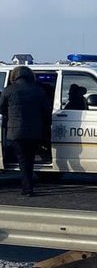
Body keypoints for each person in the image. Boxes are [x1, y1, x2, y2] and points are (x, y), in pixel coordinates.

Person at [0, 66, 51, 196]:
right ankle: (28, 187)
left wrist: (9, 116)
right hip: (34, 132)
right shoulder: (38, 91)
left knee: (23, 160)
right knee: (29, 160)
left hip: (16, 132)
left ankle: (27, 188)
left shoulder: (9, 90)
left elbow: (1, 108)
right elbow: (46, 111)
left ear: (14, 76)